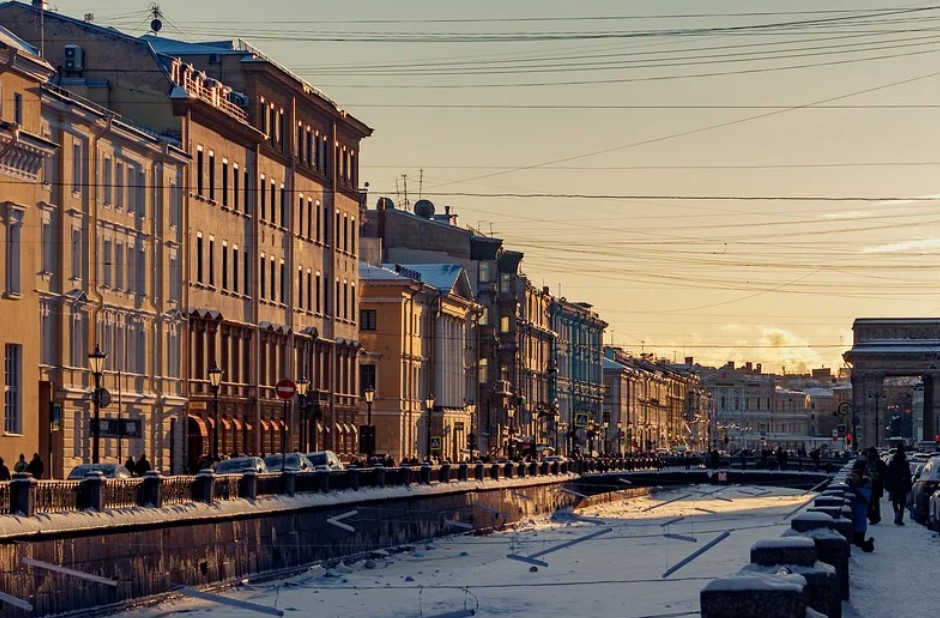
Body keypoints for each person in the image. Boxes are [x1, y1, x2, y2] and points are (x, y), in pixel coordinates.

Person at [884, 445, 913, 525]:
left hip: (894, 484)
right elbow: (908, 474)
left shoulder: (892, 462)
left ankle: (896, 512)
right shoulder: (905, 463)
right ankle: (900, 517)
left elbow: (888, 474)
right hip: (903, 484)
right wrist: (909, 485)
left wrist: (888, 485)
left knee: (895, 500)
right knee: (902, 502)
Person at [865, 447, 887, 524]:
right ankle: (876, 517)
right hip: (876, 484)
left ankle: (874, 517)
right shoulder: (878, 462)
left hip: (872, 484)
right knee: (875, 502)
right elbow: (885, 472)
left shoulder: (869, 462)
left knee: (871, 502)